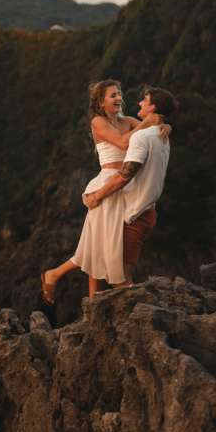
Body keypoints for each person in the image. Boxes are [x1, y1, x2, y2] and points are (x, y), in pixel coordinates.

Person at [40, 80, 169, 304]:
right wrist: (145, 123)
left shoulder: (127, 121)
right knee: (99, 242)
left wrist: (163, 125)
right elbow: (121, 143)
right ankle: (77, 290)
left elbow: (155, 124)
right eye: (112, 95)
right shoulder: (98, 121)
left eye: (119, 94)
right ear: (101, 102)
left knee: (99, 242)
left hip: (122, 185)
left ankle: (72, 286)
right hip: (108, 183)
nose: (118, 98)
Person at [84, 86, 179, 285]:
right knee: (98, 246)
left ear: (152, 106)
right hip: (134, 201)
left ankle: (122, 310)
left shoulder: (136, 130)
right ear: (101, 102)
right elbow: (128, 139)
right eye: (113, 95)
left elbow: (125, 175)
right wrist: (160, 125)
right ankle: (91, 306)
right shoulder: (157, 135)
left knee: (114, 266)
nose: (137, 102)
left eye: (144, 100)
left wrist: (97, 196)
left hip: (130, 203)